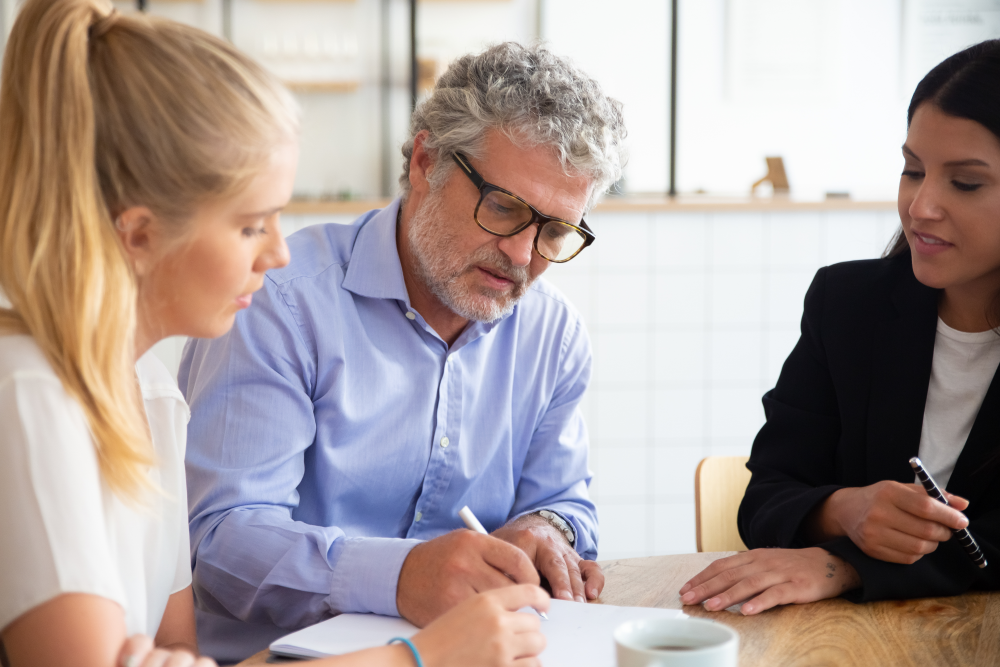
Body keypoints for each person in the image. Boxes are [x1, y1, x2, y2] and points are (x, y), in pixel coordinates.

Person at [0, 2, 548, 666]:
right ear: (139, 233)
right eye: (252, 224)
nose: (278, 254)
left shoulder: (146, 391)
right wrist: (416, 657)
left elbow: (182, 652)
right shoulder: (28, 395)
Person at [180, 42, 626, 662]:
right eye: (503, 207)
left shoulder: (553, 334)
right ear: (425, 161)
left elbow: (566, 499)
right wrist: (401, 574)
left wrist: (548, 529)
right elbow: (224, 543)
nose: (524, 256)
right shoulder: (278, 301)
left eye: (552, 231)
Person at [680, 39, 1000, 615]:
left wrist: (848, 563)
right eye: (913, 170)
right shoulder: (848, 303)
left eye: (966, 183)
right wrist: (844, 509)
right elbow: (766, 494)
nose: (920, 205)